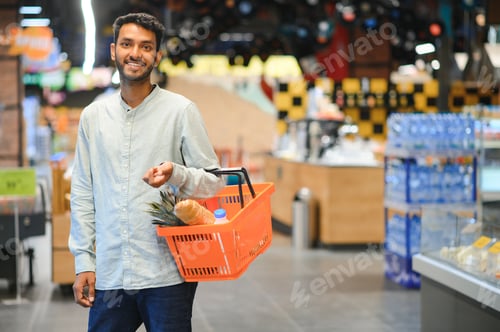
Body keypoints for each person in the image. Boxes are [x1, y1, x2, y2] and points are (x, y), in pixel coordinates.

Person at [68, 12, 225, 332]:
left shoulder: (180, 111)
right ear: (114, 51)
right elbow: (83, 191)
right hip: (111, 274)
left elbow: (214, 182)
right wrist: (84, 261)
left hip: (168, 273)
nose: (135, 53)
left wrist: (177, 174)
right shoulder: (93, 116)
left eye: (145, 46)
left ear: (157, 56)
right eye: (127, 44)